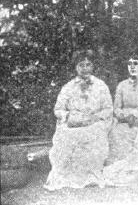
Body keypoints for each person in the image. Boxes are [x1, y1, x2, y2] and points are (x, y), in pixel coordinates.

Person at [44, 50, 113, 190]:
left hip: (92, 125)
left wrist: (94, 118)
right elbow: (58, 109)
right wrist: (69, 117)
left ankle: (91, 176)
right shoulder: (68, 87)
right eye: (81, 65)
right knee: (65, 136)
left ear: (93, 66)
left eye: (88, 64)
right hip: (73, 126)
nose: (85, 68)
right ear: (76, 67)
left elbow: (108, 109)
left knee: (96, 133)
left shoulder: (101, 86)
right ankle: (66, 176)